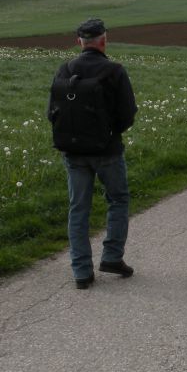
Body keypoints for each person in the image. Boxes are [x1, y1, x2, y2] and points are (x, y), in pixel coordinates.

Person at [47, 18, 138, 290]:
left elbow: (51, 112)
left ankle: (81, 272)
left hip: (73, 152)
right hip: (107, 150)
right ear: (103, 40)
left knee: (79, 209)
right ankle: (111, 256)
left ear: (80, 42)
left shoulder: (65, 69)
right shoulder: (115, 71)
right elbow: (128, 114)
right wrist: (111, 133)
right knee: (118, 200)